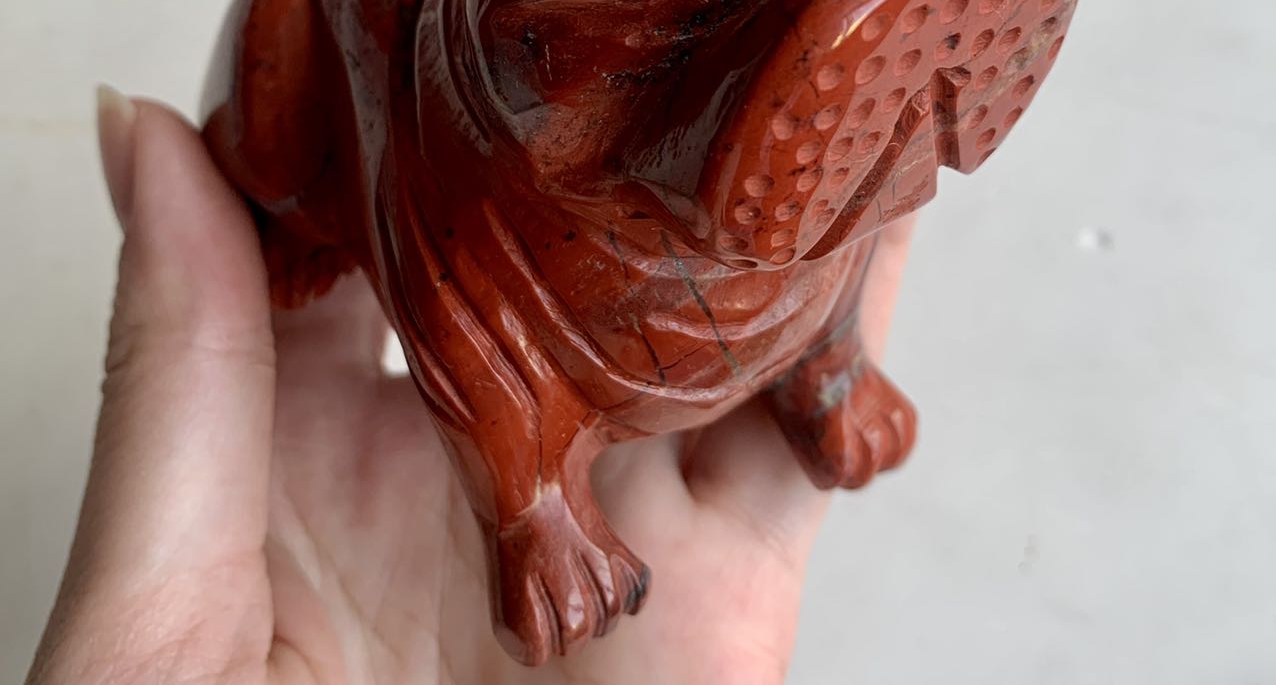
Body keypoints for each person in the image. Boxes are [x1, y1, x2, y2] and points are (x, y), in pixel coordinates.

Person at [26, 89, 913, 685]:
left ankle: (822, 366)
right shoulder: (489, 176)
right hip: (434, 152)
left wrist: (827, 352)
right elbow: (465, 321)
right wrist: (533, 509)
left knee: (840, 187)